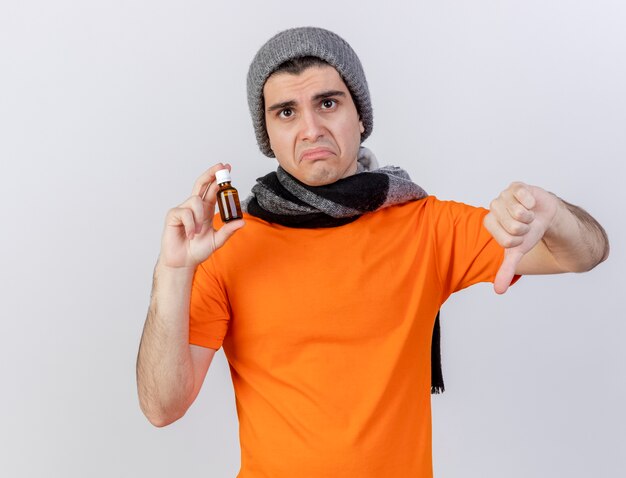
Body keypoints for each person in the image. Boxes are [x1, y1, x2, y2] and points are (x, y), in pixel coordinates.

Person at [136, 27, 609, 477]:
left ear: (360, 115)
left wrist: (553, 212)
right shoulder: (228, 240)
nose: (311, 129)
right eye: (286, 112)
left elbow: (584, 253)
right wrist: (172, 273)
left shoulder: (425, 226)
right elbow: (163, 407)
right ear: (267, 133)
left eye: (327, 102)